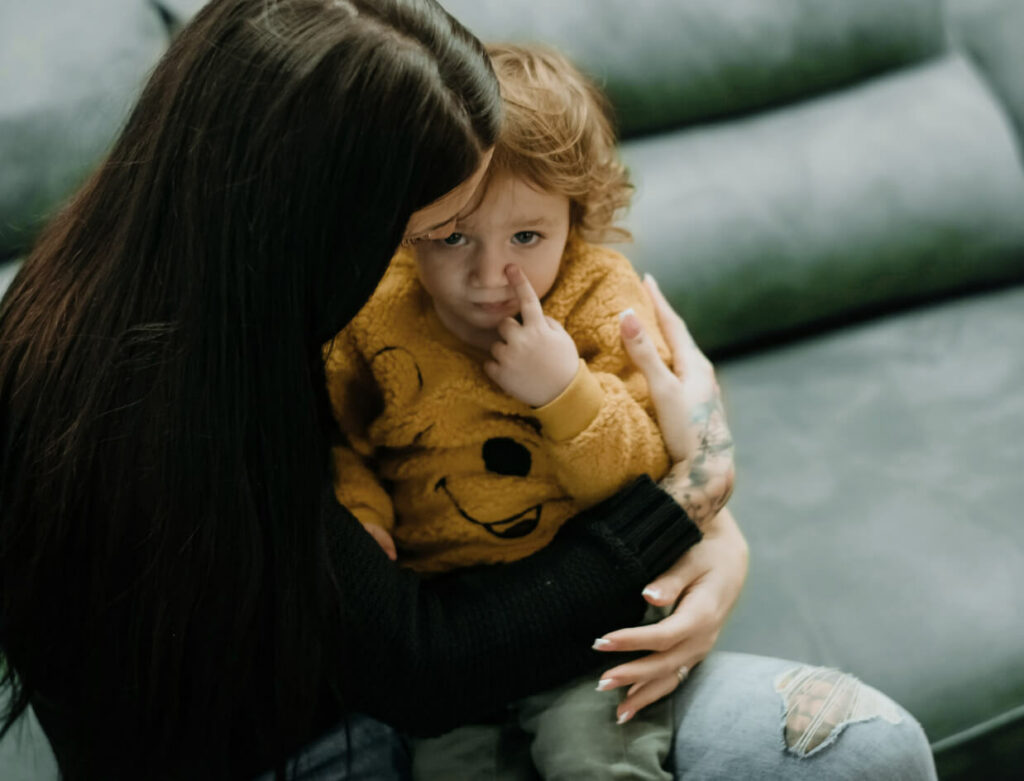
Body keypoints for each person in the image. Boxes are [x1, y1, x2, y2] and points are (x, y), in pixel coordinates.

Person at [0, 1, 936, 780]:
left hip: (493, 654)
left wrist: (706, 535)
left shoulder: (256, 290)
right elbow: (424, 667)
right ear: (318, 228)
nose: (485, 276)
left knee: (868, 749)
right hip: (325, 734)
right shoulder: (160, 398)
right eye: (440, 233)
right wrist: (688, 500)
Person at [324, 43, 699, 780]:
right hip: (450, 625)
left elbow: (647, 474)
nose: (490, 275)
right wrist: (362, 515)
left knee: (591, 761)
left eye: (527, 236)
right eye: (451, 237)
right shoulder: (376, 314)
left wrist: (565, 392)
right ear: (408, 224)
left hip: (591, 610)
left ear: (576, 215)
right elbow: (345, 441)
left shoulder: (599, 298)